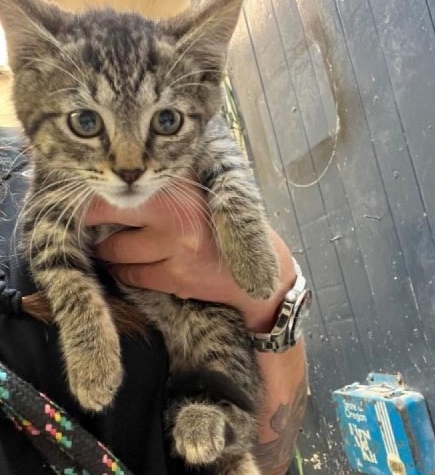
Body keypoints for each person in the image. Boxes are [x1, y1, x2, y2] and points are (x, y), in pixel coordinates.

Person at [0, 129, 308, 475]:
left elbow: (275, 460)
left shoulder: (15, 159)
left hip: (216, 367)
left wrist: (275, 299)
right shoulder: (47, 150)